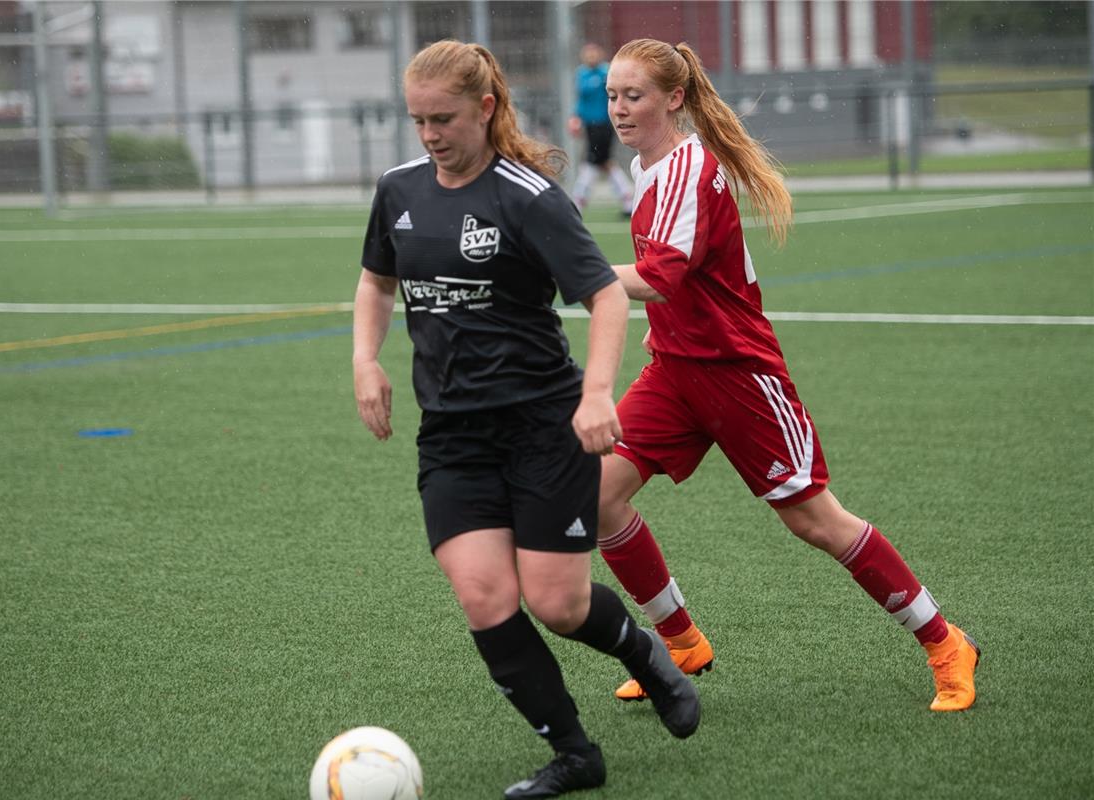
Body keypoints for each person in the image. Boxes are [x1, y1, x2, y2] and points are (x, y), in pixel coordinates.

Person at [352, 40, 701, 799]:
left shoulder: (528, 196)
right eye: (416, 120)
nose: (429, 134)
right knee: (484, 596)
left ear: (484, 108)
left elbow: (605, 295)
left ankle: (645, 656)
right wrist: (365, 361)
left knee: (558, 605)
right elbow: (376, 281)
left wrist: (597, 392)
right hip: (452, 436)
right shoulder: (399, 189)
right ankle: (575, 754)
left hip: (544, 427)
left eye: (442, 118)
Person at [594, 39, 982, 713]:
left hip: (739, 376)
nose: (619, 110)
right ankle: (680, 643)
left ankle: (945, 641)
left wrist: (569, 274)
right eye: (611, 97)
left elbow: (660, 279)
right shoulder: (644, 165)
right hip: (675, 372)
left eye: (633, 96)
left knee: (815, 522)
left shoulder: (689, 168)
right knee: (593, 494)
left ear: (673, 99)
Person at [568, 43, 633, 217]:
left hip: (604, 124)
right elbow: (582, 99)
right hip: (590, 125)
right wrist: (576, 117)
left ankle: (577, 202)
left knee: (592, 161)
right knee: (604, 162)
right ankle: (628, 200)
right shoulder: (581, 74)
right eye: (587, 54)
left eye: (593, 54)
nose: (590, 57)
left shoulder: (607, 73)